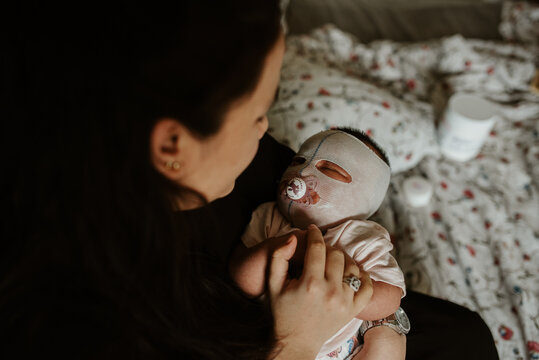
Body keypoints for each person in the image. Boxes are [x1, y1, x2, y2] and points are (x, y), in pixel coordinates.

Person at [0, 1, 499, 359]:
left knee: (468, 336)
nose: (267, 135)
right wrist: (296, 343)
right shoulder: (78, 318)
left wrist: (370, 304)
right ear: (173, 146)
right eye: (257, 114)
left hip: (347, 314)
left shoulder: (240, 170)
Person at [230, 128, 406, 360]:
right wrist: (281, 247)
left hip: (341, 350)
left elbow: (390, 298)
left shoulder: (365, 238)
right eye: (298, 161)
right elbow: (242, 276)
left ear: (366, 201)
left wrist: (353, 292)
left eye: (330, 169)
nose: (303, 172)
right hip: (268, 344)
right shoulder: (270, 217)